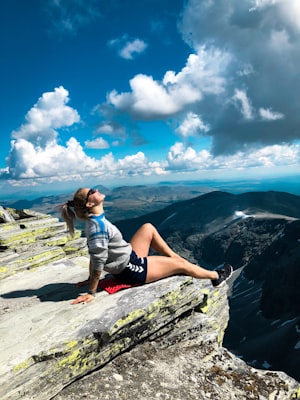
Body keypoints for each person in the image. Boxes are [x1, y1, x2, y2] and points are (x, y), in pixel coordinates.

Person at [61, 188, 233, 305]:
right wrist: (92, 290)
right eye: (91, 192)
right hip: (130, 270)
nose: (96, 190)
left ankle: (174, 258)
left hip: (129, 257)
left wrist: (91, 277)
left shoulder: (97, 221)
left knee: (148, 228)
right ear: (90, 204)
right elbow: (97, 258)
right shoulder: (97, 227)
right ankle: (216, 276)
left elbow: (94, 254)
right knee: (182, 266)